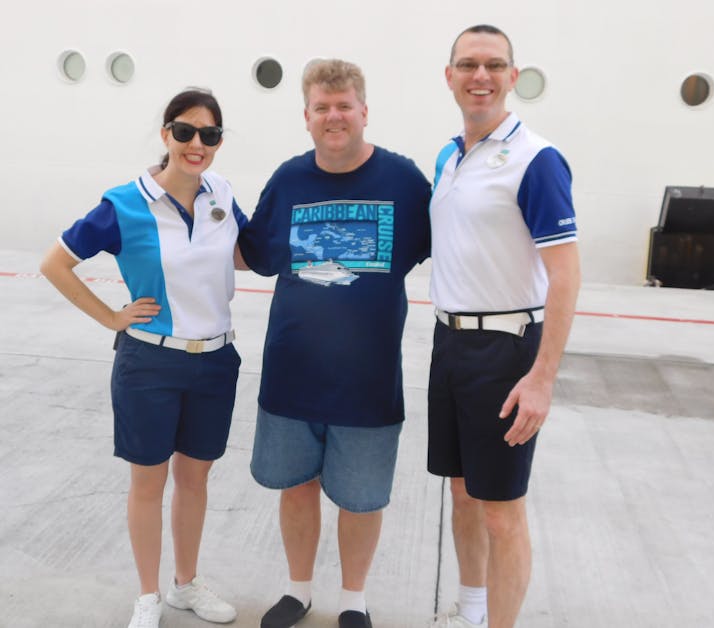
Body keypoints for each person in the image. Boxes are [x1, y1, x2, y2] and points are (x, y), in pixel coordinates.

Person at [40, 88, 247, 628]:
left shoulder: (221, 192)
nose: (196, 144)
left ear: (219, 143)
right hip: (150, 364)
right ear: (166, 135)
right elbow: (55, 264)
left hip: (216, 361)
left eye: (209, 135)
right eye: (184, 131)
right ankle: (148, 596)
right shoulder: (124, 203)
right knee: (149, 483)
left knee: (196, 480)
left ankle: (185, 584)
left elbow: (245, 253)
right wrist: (112, 317)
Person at [237, 59, 431, 628]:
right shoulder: (289, 180)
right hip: (292, 373)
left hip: (368, 380)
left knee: (360, 499)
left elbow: (453, 241)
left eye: (344, 105)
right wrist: (178, 219)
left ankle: (354, 598)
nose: (334, 116)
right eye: (322, 107)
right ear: (306, 117)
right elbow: (252, 252)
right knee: (296, 488)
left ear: (364, 111)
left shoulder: (403, 181)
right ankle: (299, 591)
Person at [427, 25, 581, 628]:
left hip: (507, 350)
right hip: (450, 341)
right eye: (468, 64)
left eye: (494, 65)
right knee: (463, 493)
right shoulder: (449, 155)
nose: (480, 76)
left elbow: (566, 277)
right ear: (450, 76)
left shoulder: (537, 160)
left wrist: (542, 378)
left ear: (514, 77)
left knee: (501, 510)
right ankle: (470, 611)